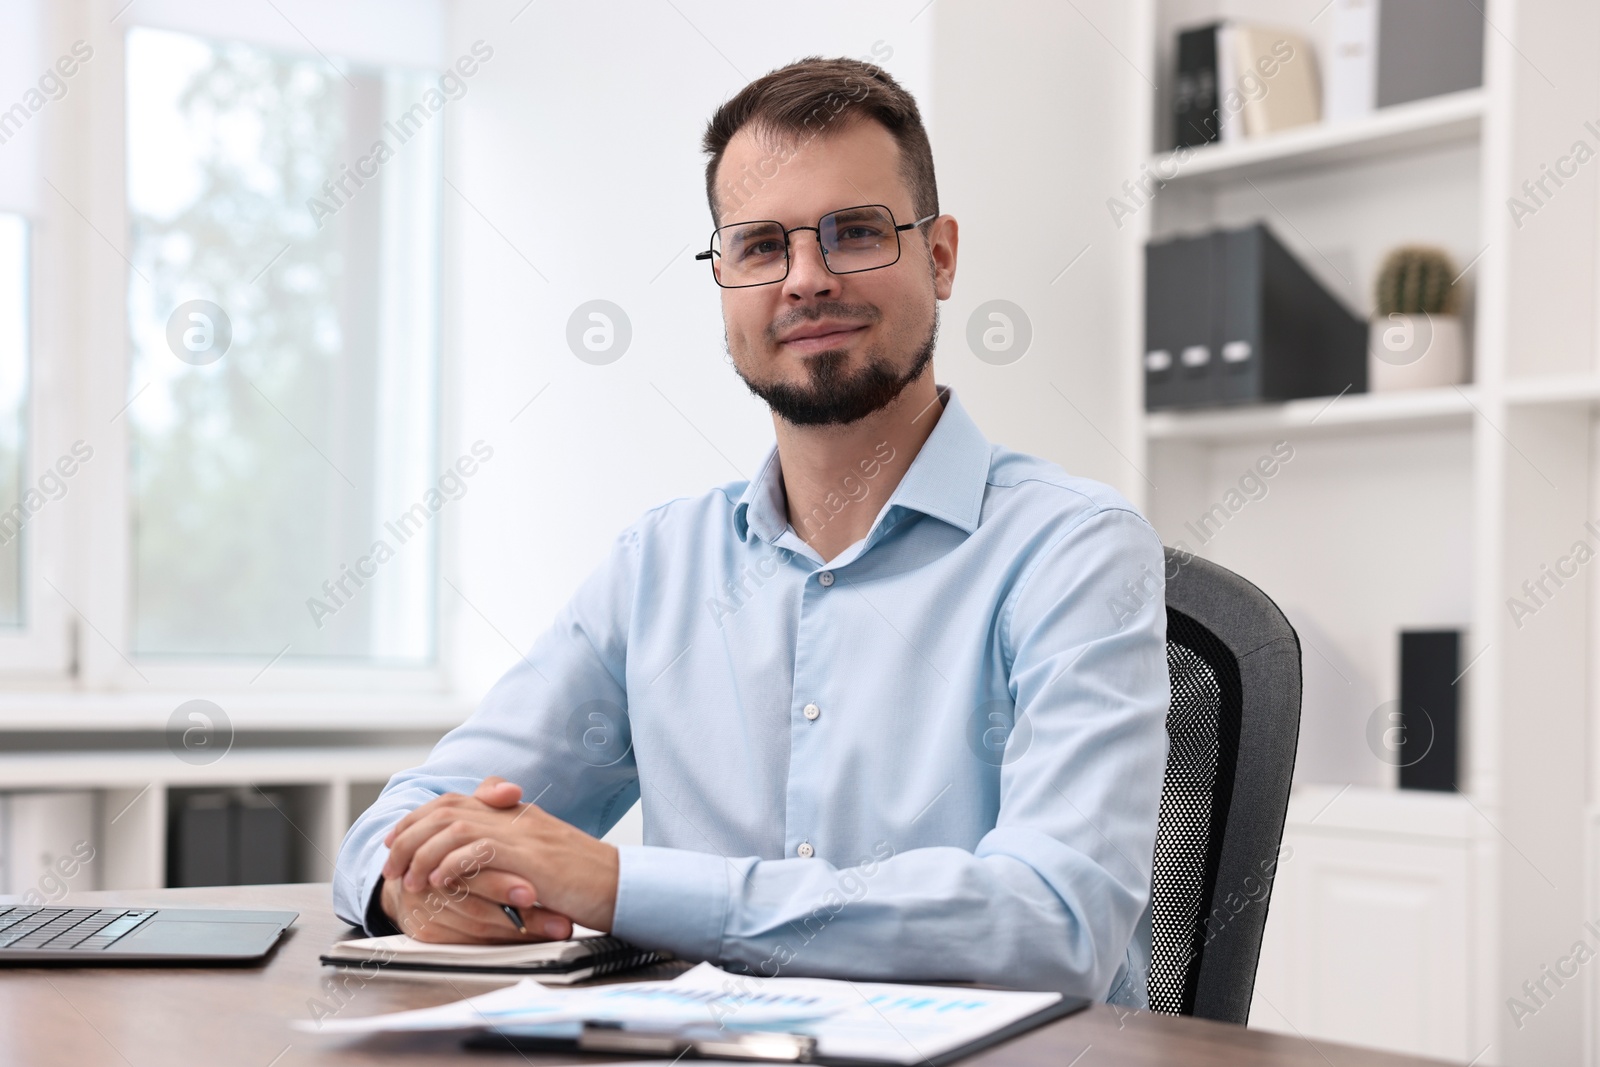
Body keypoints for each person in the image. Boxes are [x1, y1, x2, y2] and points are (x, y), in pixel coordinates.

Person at [333, 55, 1170, 1007]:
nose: (805, 280)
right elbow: (399, 822)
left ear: (939, 257)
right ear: (724, 278)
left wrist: (615, 884)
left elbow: (1050, 923)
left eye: (854, 233)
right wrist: (413, 887)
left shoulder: (1077, 551)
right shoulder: (661, 567)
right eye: (762, 245)